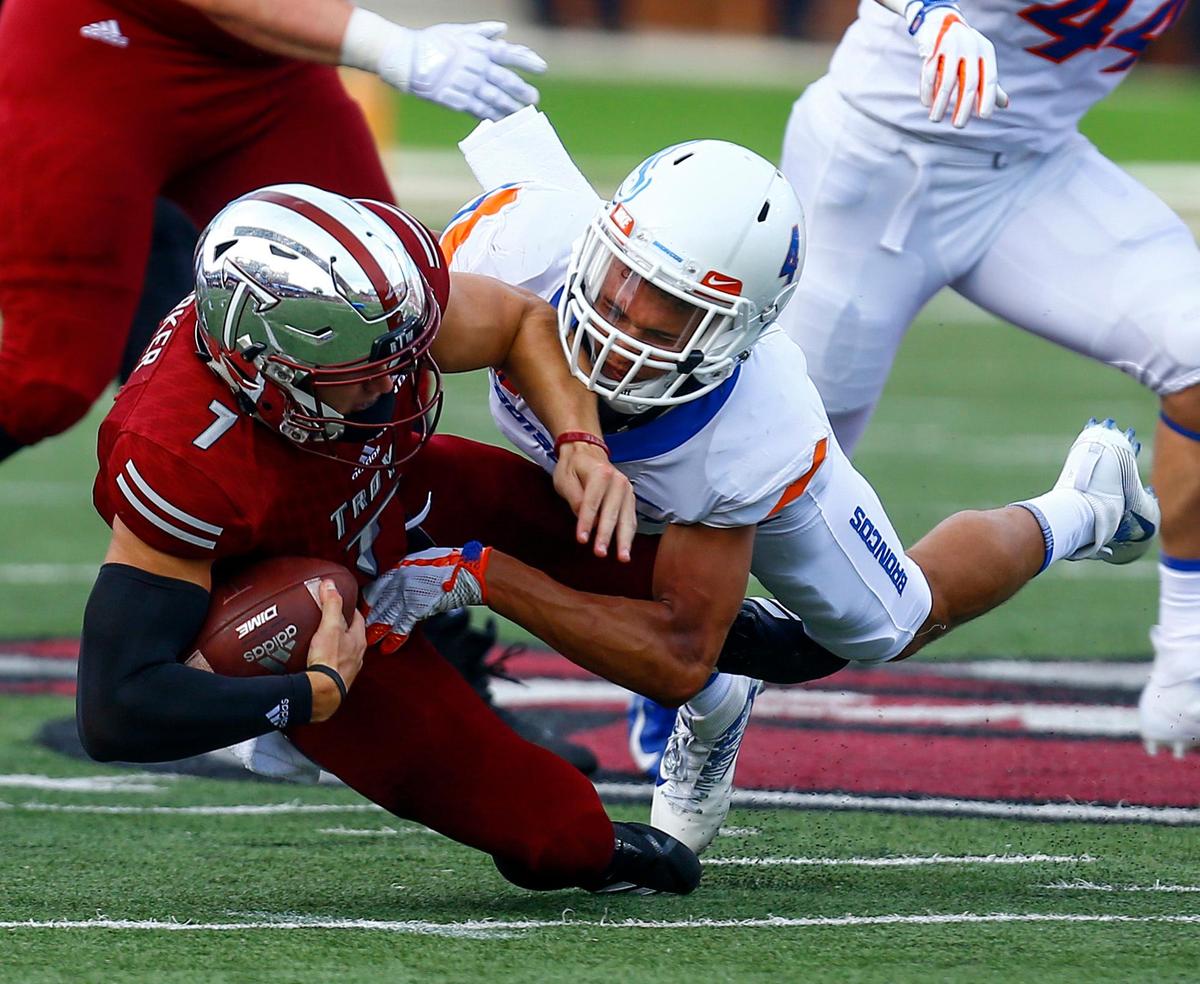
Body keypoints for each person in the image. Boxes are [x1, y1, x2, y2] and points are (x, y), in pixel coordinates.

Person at [360, 118, 1157, 854]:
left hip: (707, 488)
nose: (622, 319)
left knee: (894, 623)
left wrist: (481, 576)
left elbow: (680, 652)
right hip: (595, 463)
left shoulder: (747, 436)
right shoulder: (516, 246)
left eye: (668, 313)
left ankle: (1083, 508)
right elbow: (377, 351)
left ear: (734, 333)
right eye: (620, 279)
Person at [77, 183, 699, 895]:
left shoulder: (372, 315)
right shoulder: (182, 455)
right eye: (363, 374)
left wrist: (579, 442)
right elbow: (115, 709)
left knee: (642, 557)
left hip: (387, 481)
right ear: (266, 373)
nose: (394, 383)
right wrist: (308, 692)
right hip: (319, 609)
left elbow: (521, 321)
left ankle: (736, 652)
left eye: (401, 357)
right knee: (563, 839)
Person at [774, 0, 1200, 757]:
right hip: (875, 166)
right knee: (773, 481)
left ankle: (1189, 658)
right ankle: (686, 695)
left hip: (1031, 170)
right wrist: (934, 16)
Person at [0, 0, 546, 462]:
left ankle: (347, 541)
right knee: (47, 382)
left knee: (378, 308)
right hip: (101, 42)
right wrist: (387, 46)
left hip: (263, 65)